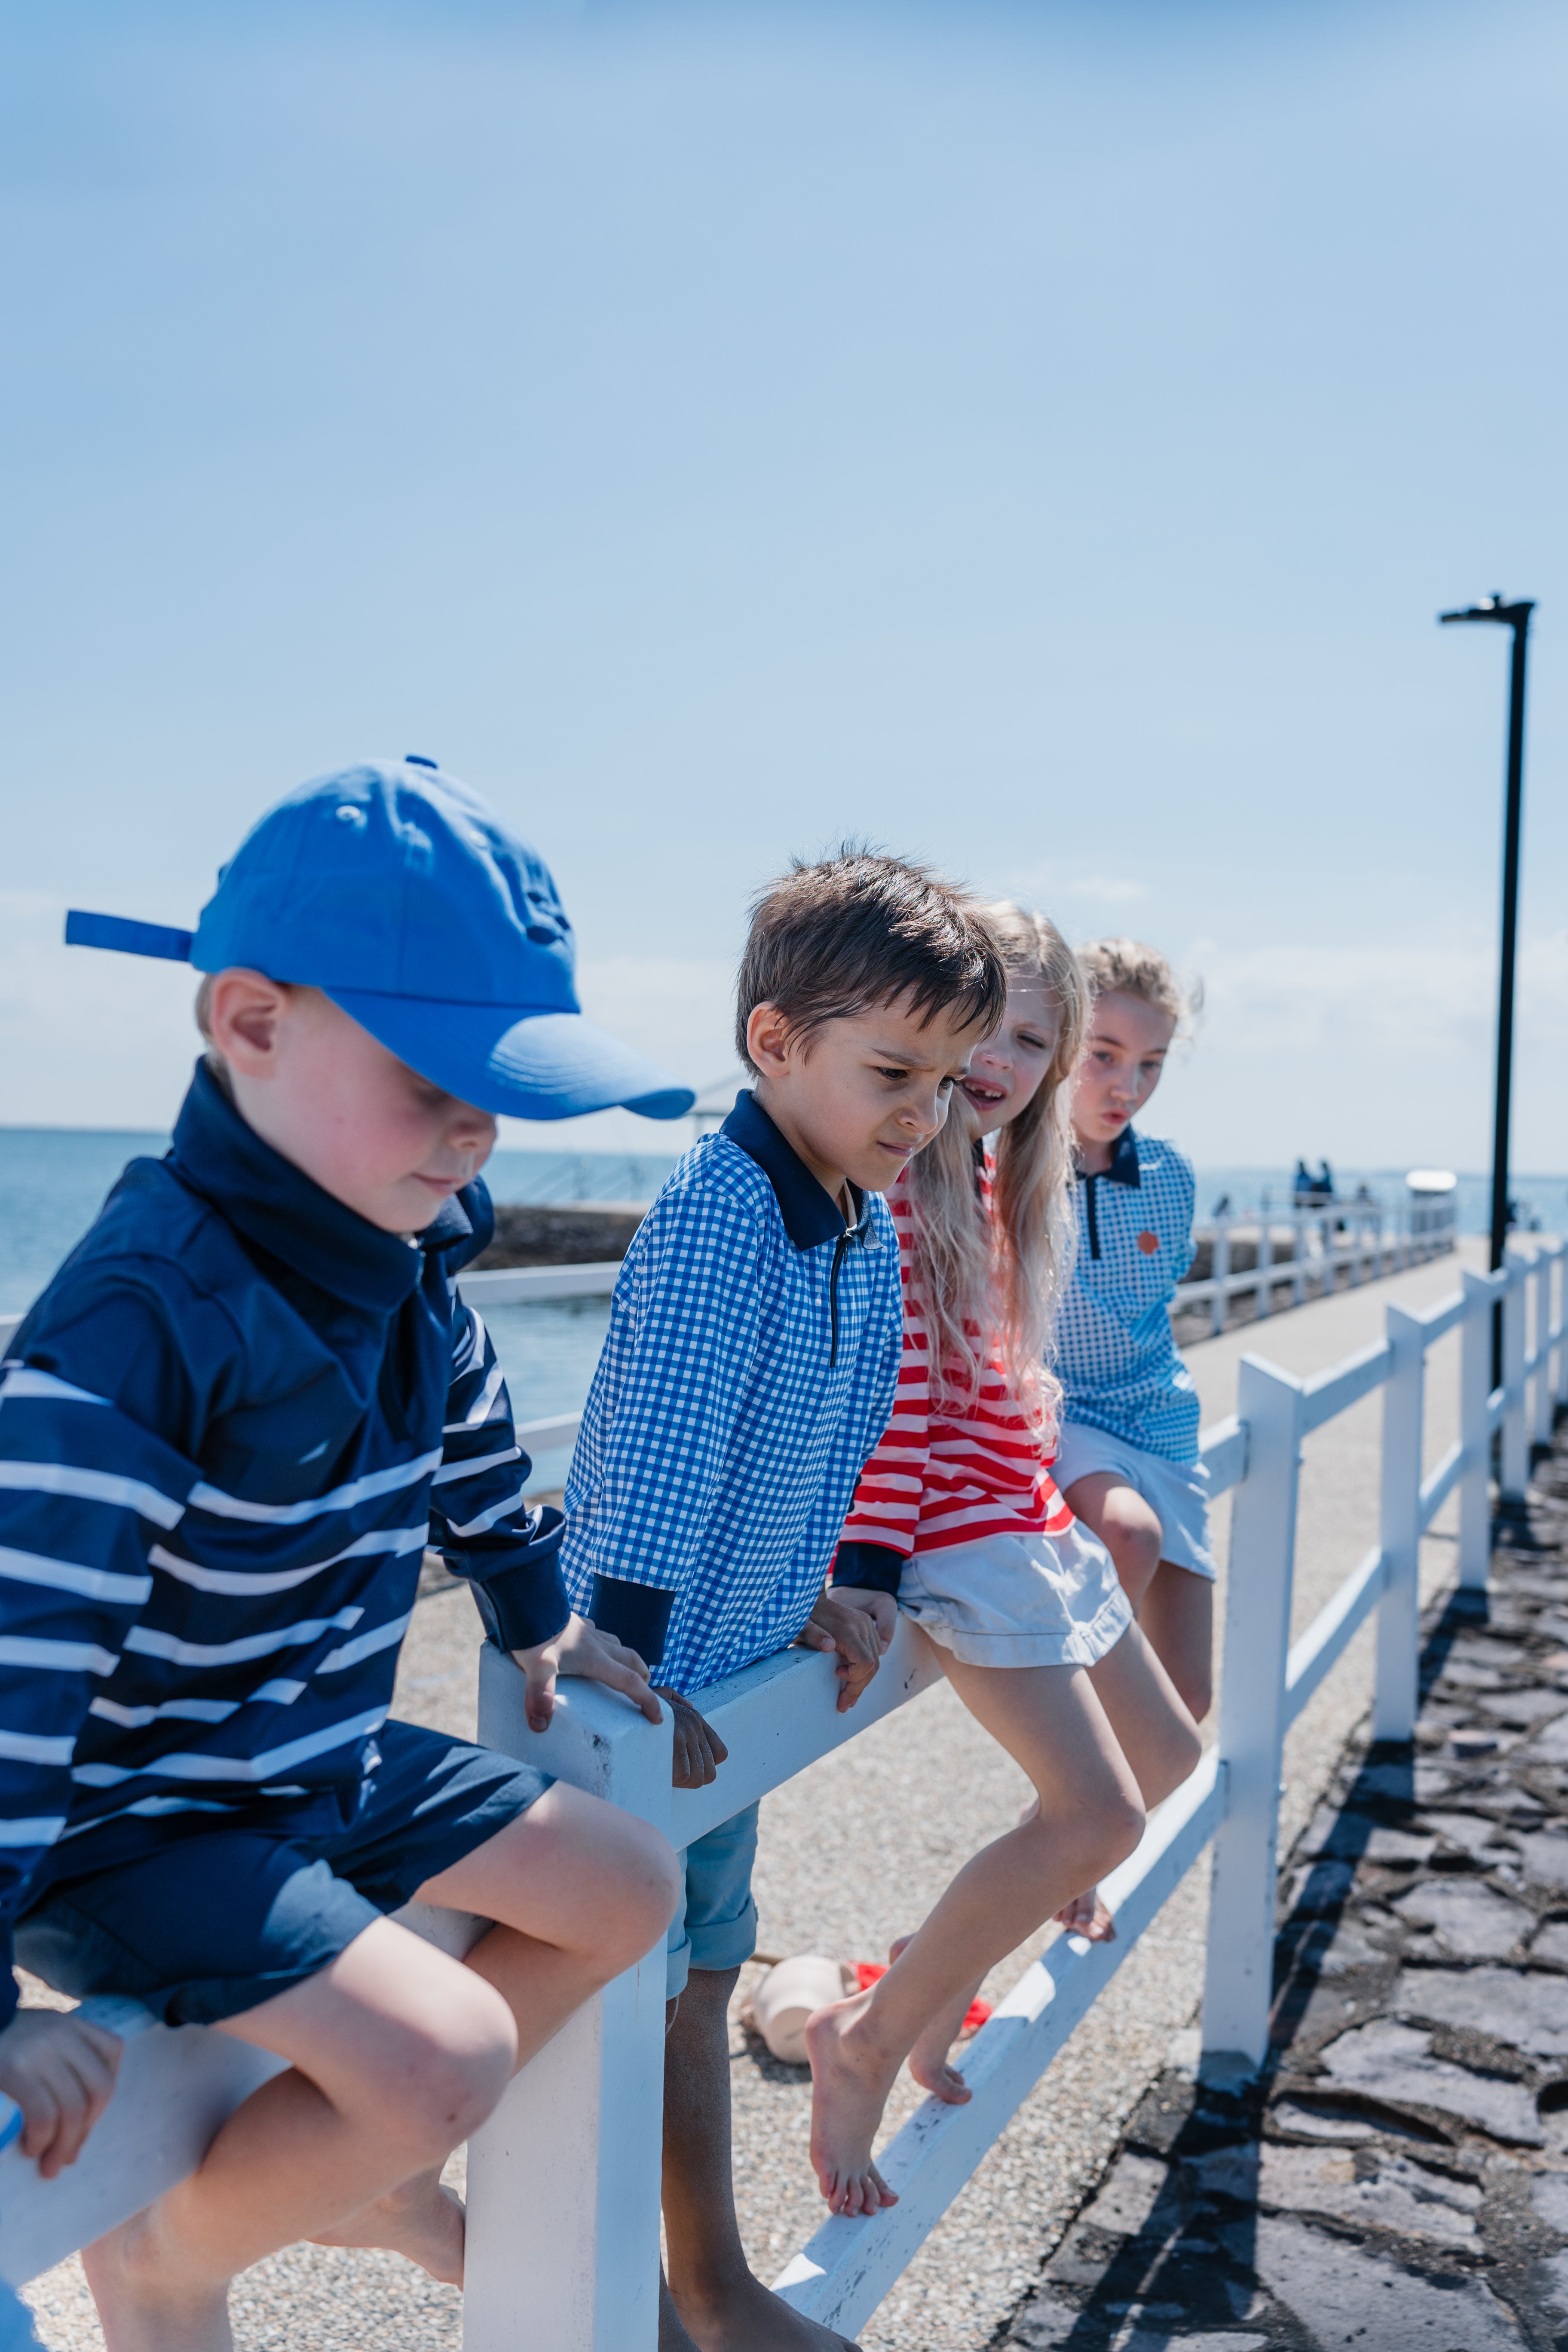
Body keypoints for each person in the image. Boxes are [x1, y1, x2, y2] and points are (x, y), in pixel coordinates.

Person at [1, 760, 690, 2352]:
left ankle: (334, 2168)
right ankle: (178, 2253)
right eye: (432, 1075)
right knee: (441, 2052)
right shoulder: (144, 1315)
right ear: (250, 1023)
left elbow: (464, 1421)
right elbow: (15, 1670)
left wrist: (532, 1610)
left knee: (623, 1881)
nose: (472, 1131)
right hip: (142, 1819)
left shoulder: (400, 1244)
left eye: (497, 1085)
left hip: (301, 1755)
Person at [560, 850, 1006, 2352]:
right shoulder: (719, 1215)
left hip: (729, 1672)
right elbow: (658, 1453)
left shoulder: (861, 1220)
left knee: (695, 1980)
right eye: (891, 1069)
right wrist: (628, 1654)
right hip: (641, 1693)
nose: (922, 1111)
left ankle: (699, 2290)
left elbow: (833, 1424)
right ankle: (639, 2298)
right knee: (622, 2005)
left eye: (945, 1080)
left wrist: (828, 1585)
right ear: (773, 1043)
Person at [807, 906, 1200, 2219]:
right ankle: (862, 2041)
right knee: (1097, 1820)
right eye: (981, 1026)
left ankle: (923, 1989)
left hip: (1021, 1509)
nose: (999, 1059)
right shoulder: (914, 1168)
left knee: (1171, 1760)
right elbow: (899, 1397)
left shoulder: (994, 1171)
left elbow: (1005, 1387)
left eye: (1033, 1039)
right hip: (953, 1533)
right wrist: (870, 1561)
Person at [1051, 938, 1213, 1723]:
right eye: (1105, 1055)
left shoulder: (1172, 1175)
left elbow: (1159, 1301)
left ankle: (1082, 1816)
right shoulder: (1008, 1167)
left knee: (1188, 1702)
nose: (1129, 1085)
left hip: (1162, 1421)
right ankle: (1075, 1782)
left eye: (1150, 1063)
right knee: (1130, 1535)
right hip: (1062, 1414)